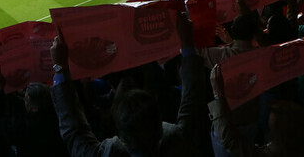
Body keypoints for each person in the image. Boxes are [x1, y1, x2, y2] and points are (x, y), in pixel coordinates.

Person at [50, 12, 202, 156]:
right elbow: (193, 98)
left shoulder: (108, 153)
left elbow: (74, 132)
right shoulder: (179, 141)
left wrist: (60, 68)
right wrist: (188, 43)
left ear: (120, 133)